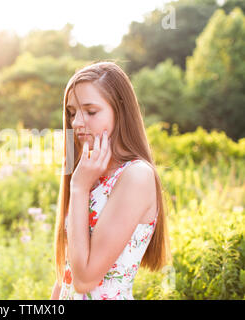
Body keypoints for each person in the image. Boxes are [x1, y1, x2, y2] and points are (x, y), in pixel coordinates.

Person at [50, 61, 171, 300]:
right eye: (72, 112)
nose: (75, 122)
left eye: (91, 111)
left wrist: (79, 187)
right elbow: (68, 274)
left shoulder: (136, 176)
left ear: (120, 111)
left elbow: (84, 280)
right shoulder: (90, 173)